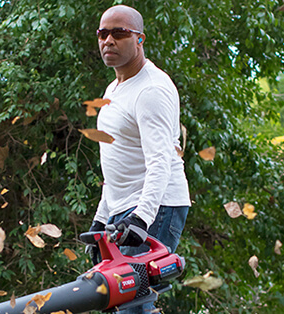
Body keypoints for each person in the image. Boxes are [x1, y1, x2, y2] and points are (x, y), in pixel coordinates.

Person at [86, 5, 191, 314]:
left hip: (156, 207)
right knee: (120, 303)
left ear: (139, 39)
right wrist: (101, 219)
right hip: (124, 208)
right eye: (103, 34)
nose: (108, 41)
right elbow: (117, 165)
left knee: (131, 301)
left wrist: (142, 219)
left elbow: (160, 161)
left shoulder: (151, 90)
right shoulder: (115, 88)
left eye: (119, 34)